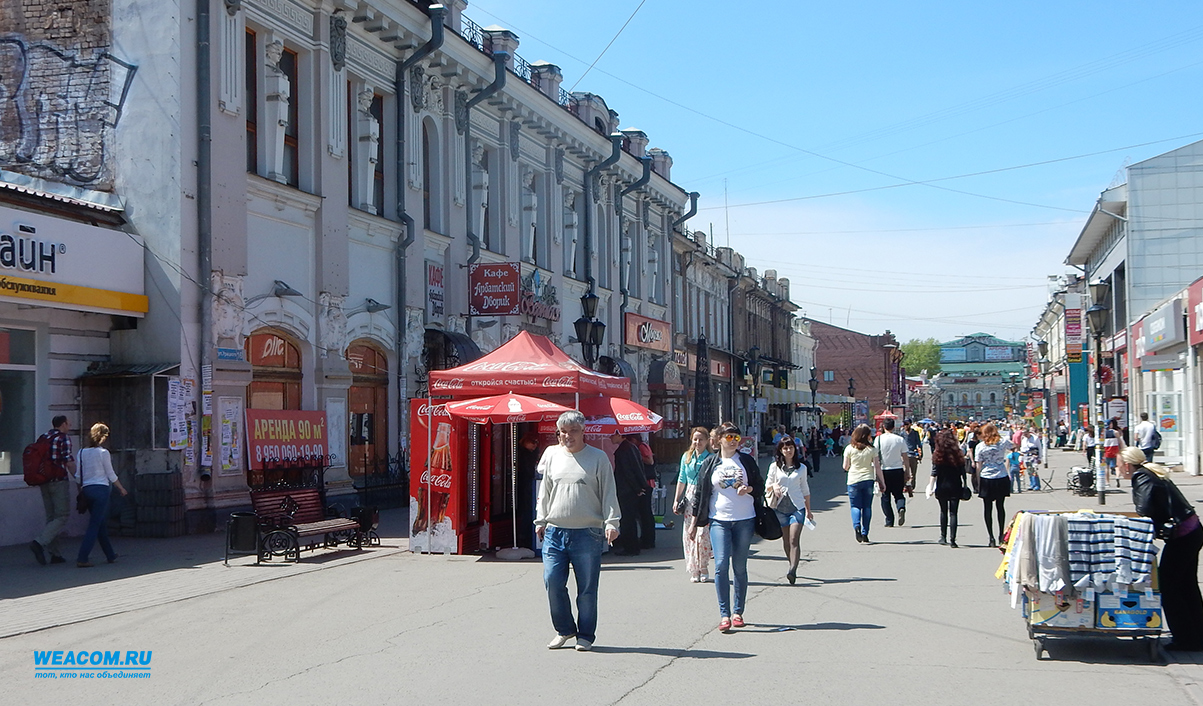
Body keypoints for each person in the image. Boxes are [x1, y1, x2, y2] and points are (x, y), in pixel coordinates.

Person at [535, 411, 621, 652]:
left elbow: (608, 493)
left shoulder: (598, 458)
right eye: (563, 432)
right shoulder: (552, 456)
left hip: (588, 533)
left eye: (573, 431)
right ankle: (564, 629)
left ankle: (585, 635)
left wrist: (612, 522)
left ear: (583, 432)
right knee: (552, 581)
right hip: (555, 532)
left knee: (586, 589)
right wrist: (540, 520)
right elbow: (546, 492)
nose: (567, 436)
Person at [1126, 446, 1203, 651]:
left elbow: (1144, 508)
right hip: (1191, 530)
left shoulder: (1141, 476)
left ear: (1127, 464)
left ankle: (1186, 639)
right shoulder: (1152, 471)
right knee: (1186, 585)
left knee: (1168, 587)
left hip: (1183, 535)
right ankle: (1197, 636)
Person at [690, 422, 765, 632]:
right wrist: (694, 523)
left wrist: (749, 488)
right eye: (729, 437)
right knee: (721, 564)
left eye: (736, 438)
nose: (733, 441)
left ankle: (737, 612)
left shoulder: (746, 461)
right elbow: (700, 493)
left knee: (739, 567)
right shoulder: (710, 463)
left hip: (745, 519)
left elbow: (759, 485)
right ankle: (724, 614)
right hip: (718, 520)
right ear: (719, 439)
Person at [75, 423, 128, 567]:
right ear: (103, 437)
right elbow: (110, 474)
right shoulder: (103, 453)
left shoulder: (81, 452)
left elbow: (78, 477)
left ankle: (110, 554)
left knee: (100, 523)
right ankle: (82, 557)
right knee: (94, 525)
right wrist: (121, 489)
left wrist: (81, 490)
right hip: (101, 491)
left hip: (87, 490)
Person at [765, 436, 812, 584]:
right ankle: (790, 561)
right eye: (785, 448)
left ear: (795, 449)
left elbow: (805, 489)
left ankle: (793, 569)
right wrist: (774, 486)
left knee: (794, 539)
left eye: (791, 447)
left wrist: (808, 510)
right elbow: (767, 484)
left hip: (797, 507)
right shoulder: (774, 467)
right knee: (786, 540)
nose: (788, 450)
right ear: (780, 450)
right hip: (779, 508)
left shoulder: (802, 468)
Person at [30, 415, 76, 566]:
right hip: (58, 481)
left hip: (43, 481)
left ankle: (55, 554)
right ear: (63, 424)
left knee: (51, 517)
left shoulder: (44, 437)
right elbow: (68, 462)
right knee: (62, 516)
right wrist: (78, 479)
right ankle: (39, 543)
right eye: (68, 423)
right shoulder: (63, 438)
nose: (69, 425)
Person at [672, 427, 713, 583]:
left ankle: (704, 566)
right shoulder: (687, 457)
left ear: (707, 440)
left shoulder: (710, 458)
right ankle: (693, 567)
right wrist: (676, 499)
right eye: (695, 439)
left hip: (705, 497)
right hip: (689, 497)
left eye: (701, 439)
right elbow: (682, 479)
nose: (697, 442)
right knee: (689, 534)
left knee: (703, 534)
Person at [973, 423, 1013, 548]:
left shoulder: (980, 446)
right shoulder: (1003, 442)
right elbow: (1015, 446)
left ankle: (991, 537)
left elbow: (978, 465)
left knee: (987, 508)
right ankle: (1001, 534)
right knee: (1000, 507)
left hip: (986, 477)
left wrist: (978, 481)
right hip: (1001, 476)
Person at [843, 424, 883, 544]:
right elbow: (877, 467)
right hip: (868, 480)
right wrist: (882, 482)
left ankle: (856, 527)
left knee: (855, 506)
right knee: (867, 507)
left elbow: (845, 467)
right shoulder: (872, 449)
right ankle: (865, 533)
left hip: (853, 480)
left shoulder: (849, 448)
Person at [610, 432, 648, 556]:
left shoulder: (623, 450)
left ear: (620, 435)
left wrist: (637, 488)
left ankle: (630, 547)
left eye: (613, 435)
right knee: (630, 519)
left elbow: (628, 472)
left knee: (627, 519)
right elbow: (637, 468)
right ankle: (632, 545)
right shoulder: (631, 447)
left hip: (626, 490)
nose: (610, 437)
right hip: (631, 489)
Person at [929, 430, 968, 548]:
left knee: (943, 511)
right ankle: (953, 540)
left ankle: (943, 536)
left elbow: (934, 472)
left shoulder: (938, 454)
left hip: (942, 486)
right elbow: (963, 472)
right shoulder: (958, 454)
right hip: (955, 485)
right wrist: (965, 485)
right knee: (954, 513)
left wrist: (930, 487)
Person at [874, 418, 909, 527]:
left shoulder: (878, 439)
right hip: (898, 470)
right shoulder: (899, 439)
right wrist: (907, 471)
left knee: (885, 496)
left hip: (884, 470)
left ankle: (889, 520)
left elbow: (875, 457)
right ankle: (901, 508)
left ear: (883, 427)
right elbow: (905, 456)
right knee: (899, 494)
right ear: (894, 427)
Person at [634, 434, 657, 550]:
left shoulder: (642, 447)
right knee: (644, 513)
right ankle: (646, 538)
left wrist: (637, 456)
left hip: (647, 483)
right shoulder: (642, 446)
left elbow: (650, 461)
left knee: (645, 513)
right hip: (647, 482)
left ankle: (648, 540)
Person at [903, 419, 922, 493]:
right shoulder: (902, 434)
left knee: (913, 472)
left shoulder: (915, 433)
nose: (905, 426)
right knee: (905, 472)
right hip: (905, 455)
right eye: (904, 424)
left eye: (907, 424)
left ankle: (912, 486)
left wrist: (920, 454)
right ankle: (905, 486)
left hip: (913, 455)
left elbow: (919, 444)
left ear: (910, 424)